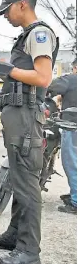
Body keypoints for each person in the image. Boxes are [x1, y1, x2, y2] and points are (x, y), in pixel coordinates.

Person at [0, 0, 59, 264]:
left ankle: (29, 250)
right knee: (17, 178)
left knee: (27, 183)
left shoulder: (39, 34)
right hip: (17, 115)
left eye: (8, 10)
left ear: (23, 4)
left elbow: (43, 78)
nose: (5, 16)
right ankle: (15, 235)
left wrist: (5, 70)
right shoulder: (26, 37)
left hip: (27, 117)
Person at [47, 58, 77, 214]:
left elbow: (51, 86)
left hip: (72, 126)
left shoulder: (72, 79)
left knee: (71, 163)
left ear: (75, 67)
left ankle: (75, 202)